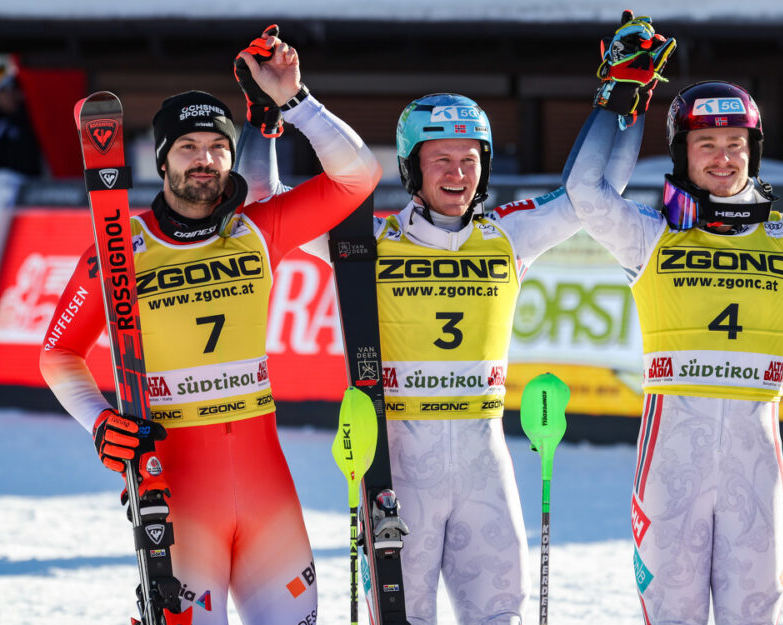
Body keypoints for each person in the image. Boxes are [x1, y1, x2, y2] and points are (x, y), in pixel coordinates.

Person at [237, 81, 644, 621]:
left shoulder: (509, 234)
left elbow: (594, 196)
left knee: (502, 615)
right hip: (398, 469)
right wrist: (265, 120)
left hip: (484, 462)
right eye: (441, 159)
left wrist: (625, 101)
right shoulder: (370, 240)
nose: (457, 173)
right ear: (411, 167)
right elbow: (265, 203)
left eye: (470, 159)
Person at [39, 29, 381, 625]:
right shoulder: (121, 246)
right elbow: (58, 353)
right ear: (163, 159)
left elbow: (358, 176)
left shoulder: (256, 228)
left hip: (266, 488)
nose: (205, 159)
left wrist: (295, 100)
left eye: (218, 147)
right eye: (189, 147)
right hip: (176, 490)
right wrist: (99, 421)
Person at [563, 13, 783, 625]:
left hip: (754, 463)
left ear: (754, 152)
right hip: (670, 466)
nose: (722, 159)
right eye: (705, 145)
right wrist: (619, 102)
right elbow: (585, 194)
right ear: (682, 154)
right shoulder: (650, 235)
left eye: (735, 144)